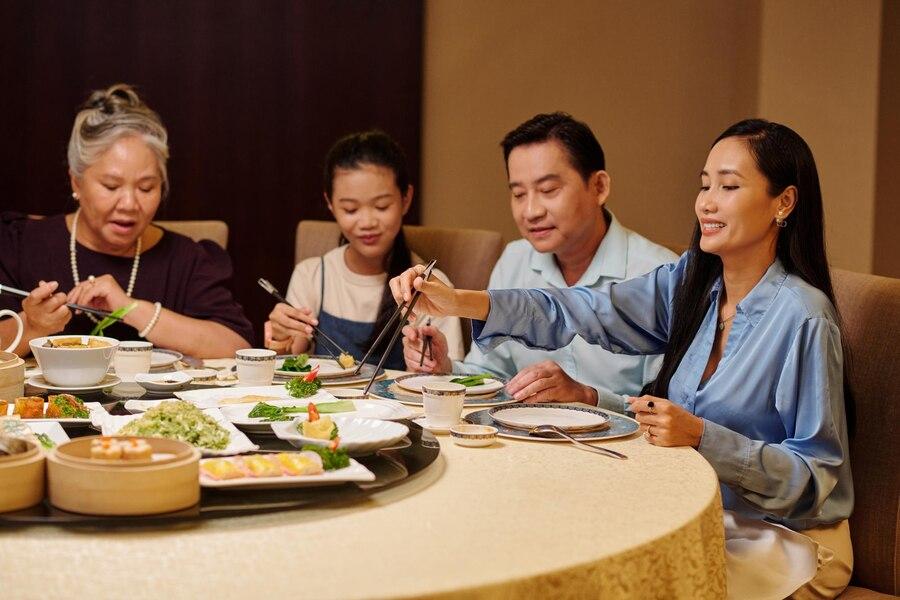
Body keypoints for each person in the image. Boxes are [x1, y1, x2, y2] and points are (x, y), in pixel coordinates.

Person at [391, 119, 853, 598]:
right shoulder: (692, 284)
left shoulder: (804, 317)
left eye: (729, 186)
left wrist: (702, 436)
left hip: (791, 542)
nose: (706, 202)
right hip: (703, 515)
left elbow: (816, 478)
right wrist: (458, 302)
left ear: (785, 202)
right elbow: (582, 308)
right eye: (704, 184)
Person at [401, 113, 675, 409]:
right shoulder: (515, 259)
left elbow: (668, 410)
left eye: (548, 190)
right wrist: (447, 368)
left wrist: (588, 397)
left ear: (599, 187)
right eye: (518, 194)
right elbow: (492, 375)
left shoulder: (656, 273)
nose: (530, 211)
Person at [0, 84, 253, 358]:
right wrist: (32, 326)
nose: (130, 205)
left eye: (146, 188)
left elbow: (237, 348)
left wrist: (131, 308)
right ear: (77, 182)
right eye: (111, 186)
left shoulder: (187, 258)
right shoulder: (21, 244)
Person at [264, 130, 463, 370]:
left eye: (381, 206)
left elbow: (448, 382)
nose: (367, 222)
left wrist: (431, 363)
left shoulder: (432, 287)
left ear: (406, 198)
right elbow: (291, 362)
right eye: (350, 209)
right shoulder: (312, 275)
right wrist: (280, 337)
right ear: (330, 204)